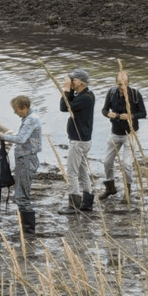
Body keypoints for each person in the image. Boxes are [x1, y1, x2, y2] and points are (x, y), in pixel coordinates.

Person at [0, 96, 42, 235]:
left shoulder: (31, 119)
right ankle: (26, 229)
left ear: (24, 107)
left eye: (16, 110)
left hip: (26, 160)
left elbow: (21, 139)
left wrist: (3, 137)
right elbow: (23, 135)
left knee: (22, 196)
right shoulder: (30, 118)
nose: (15, 113)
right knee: (21, 194)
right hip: (25, 159)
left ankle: (28, 231)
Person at [100, 71, 146, 200]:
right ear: (116, 83)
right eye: (120, 84)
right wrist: (108, 114)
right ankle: (110, 188)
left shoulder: (135, 94)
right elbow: (104, 110)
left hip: (130, 134)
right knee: (106, 161)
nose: (122, 87)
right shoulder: (111, 93)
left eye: (125, 84)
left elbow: (143, 113)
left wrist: (131, 116)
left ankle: (127, 191)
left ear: (128, 83)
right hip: (115, 133)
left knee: (127, 164)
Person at [58, 68, 96, 214]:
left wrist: (66, 90)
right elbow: (69, 105)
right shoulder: (87, 95)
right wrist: (71, 91)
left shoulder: (85, 98)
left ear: (79, 81)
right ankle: (87, 203)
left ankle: (73, 205)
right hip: (84, 140)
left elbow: (64, 107)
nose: (70, 82)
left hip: (78, 141)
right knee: (83, 171)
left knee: (72, 173)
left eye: (73, 80)